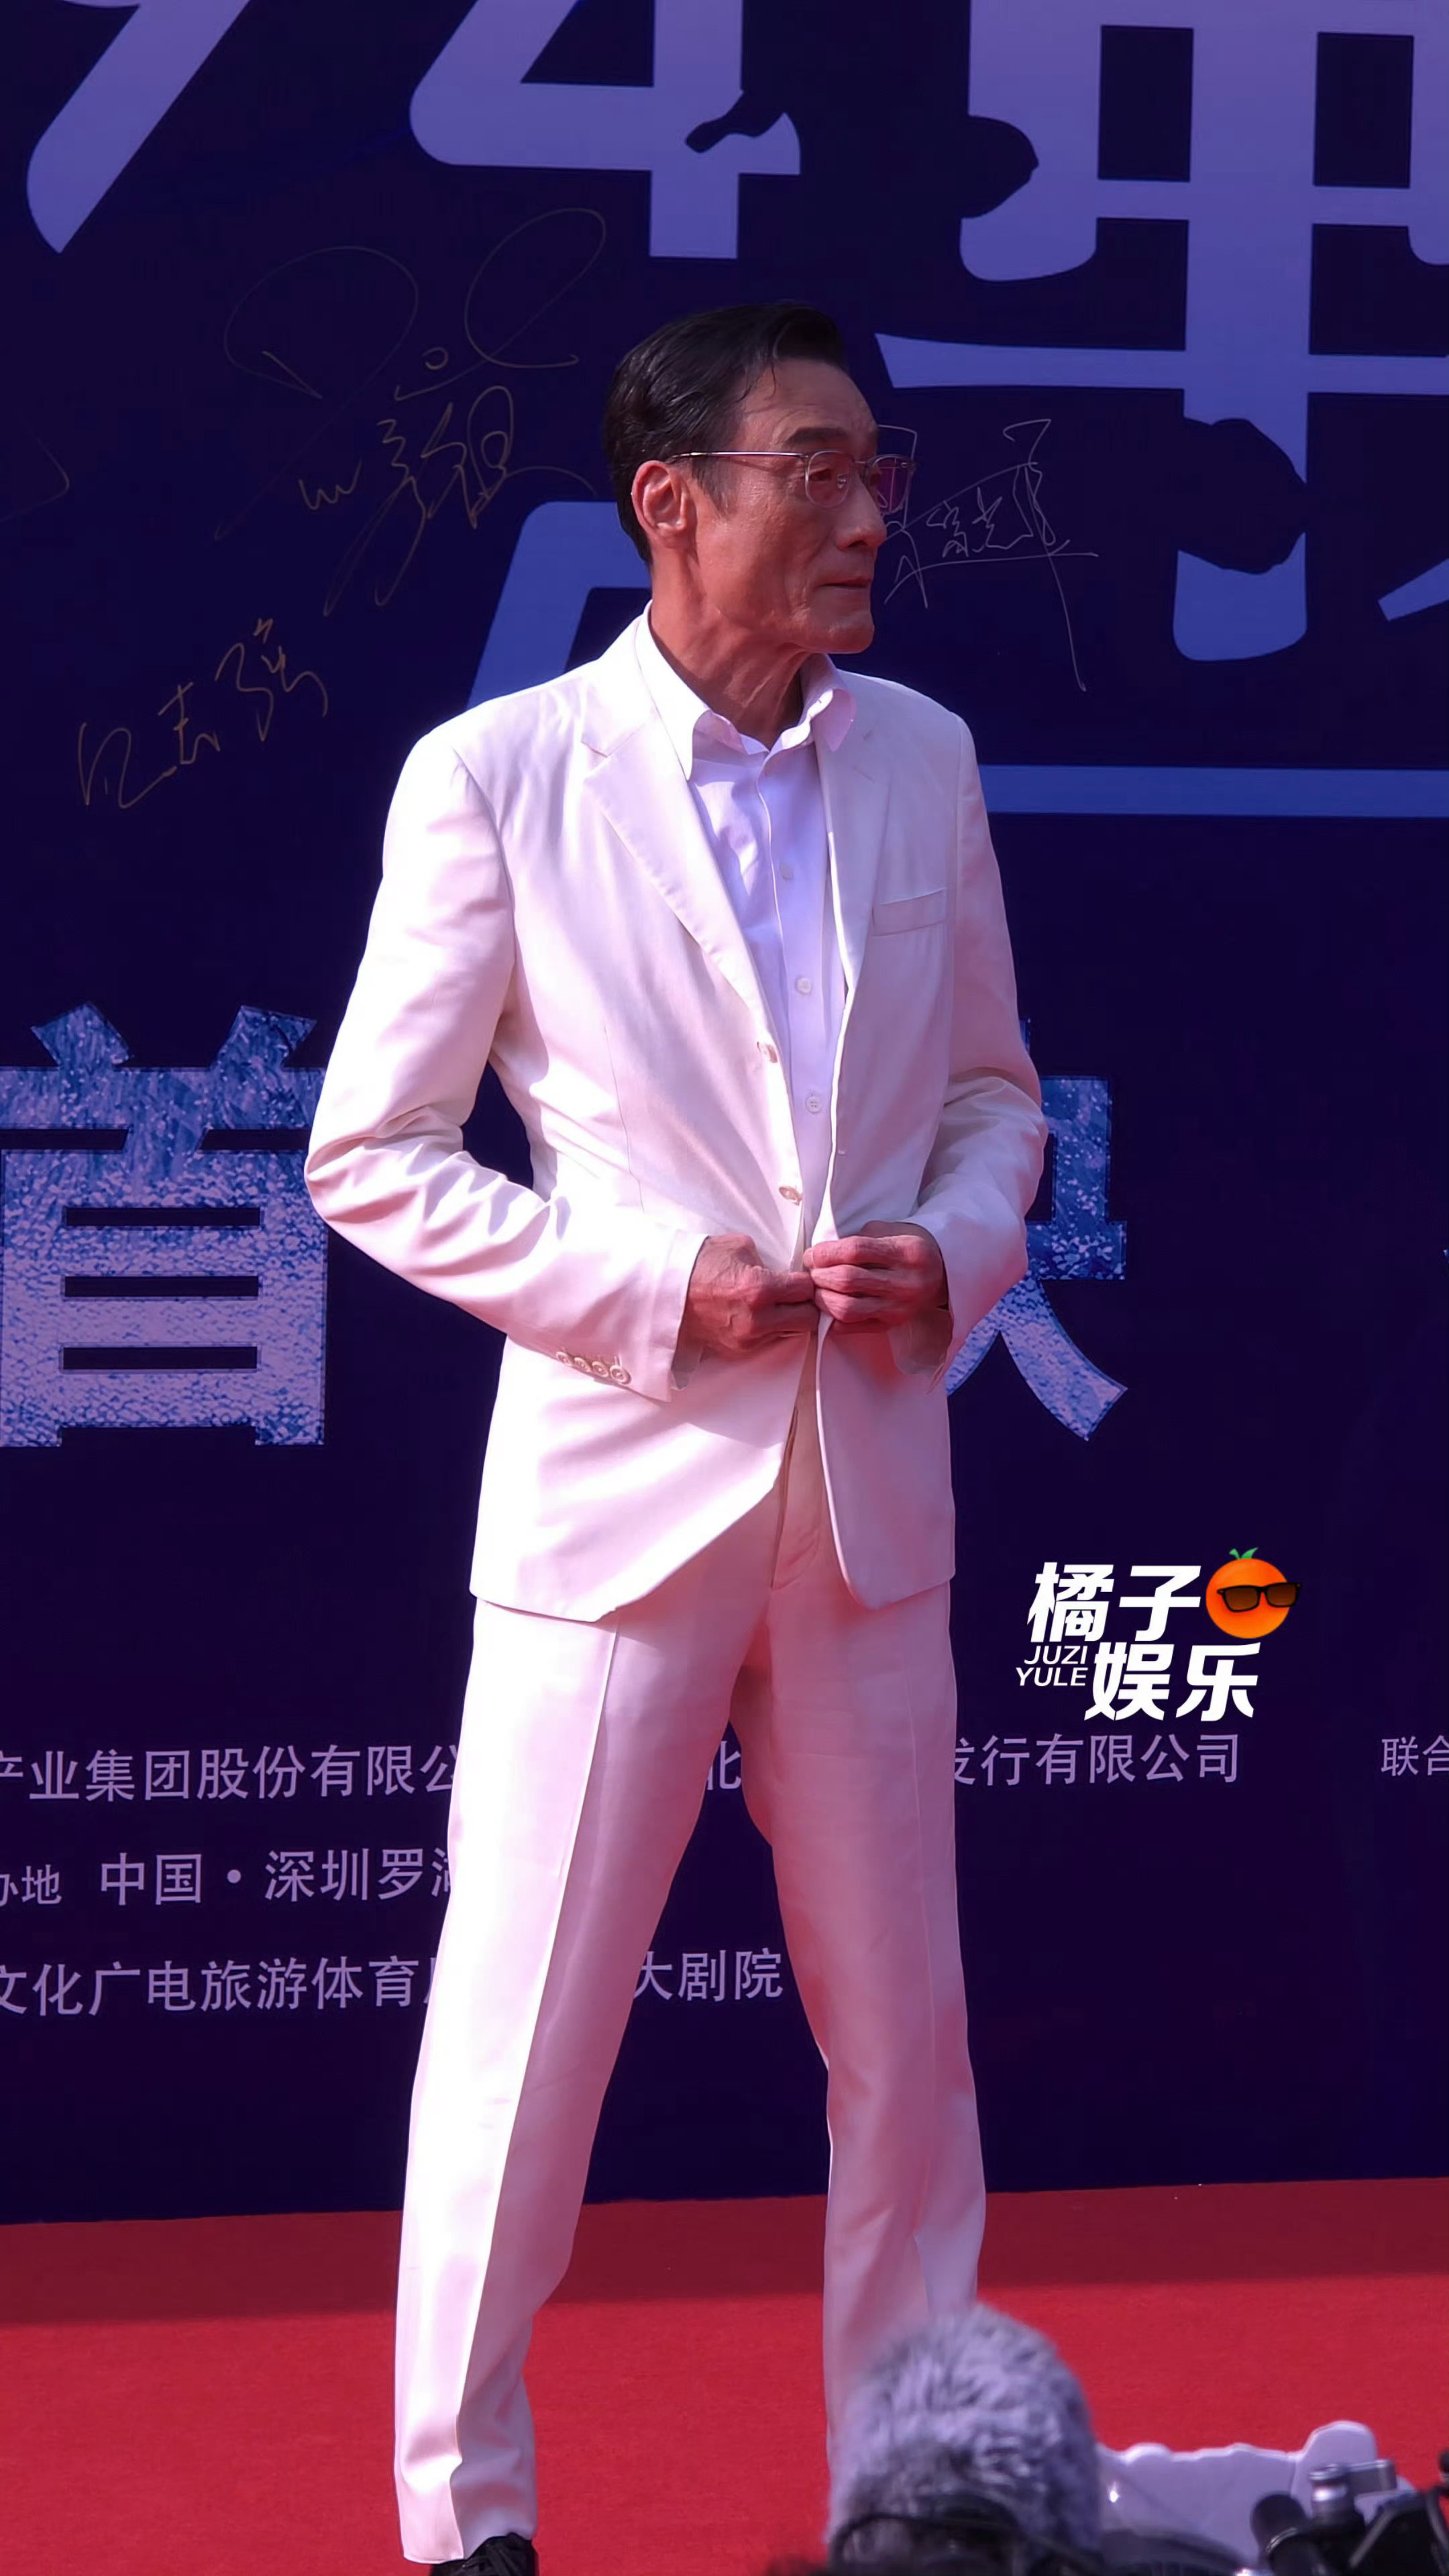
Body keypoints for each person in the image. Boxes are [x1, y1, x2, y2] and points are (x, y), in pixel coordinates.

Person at [305, 299, 1046, 2576]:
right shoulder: (500, 776)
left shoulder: (924, 759)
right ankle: (468, 2526)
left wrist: (954, 1248)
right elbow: (371, 1154)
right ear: (673, 502)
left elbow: (997, 1098)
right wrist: (651, 1294)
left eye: (875, 471)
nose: (867, 515)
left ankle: (915, 2506)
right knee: (522, 2047)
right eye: (815, 471)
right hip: (615, 1508)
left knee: (906, 2056)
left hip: (870, 1502)